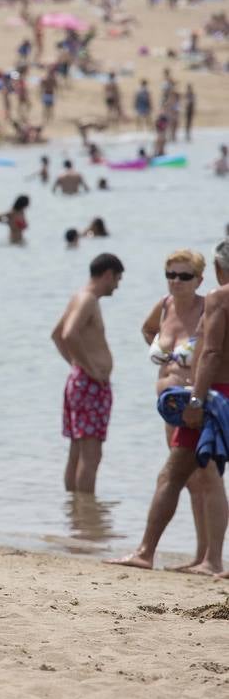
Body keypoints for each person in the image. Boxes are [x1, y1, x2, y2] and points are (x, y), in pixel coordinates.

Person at [110, 246, 227, 576]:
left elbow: (213, 352)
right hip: (172, 407)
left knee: (197, 475)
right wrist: (162, 354)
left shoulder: (211, 304)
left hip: (197, 399)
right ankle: (202, 555)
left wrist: (195, 390)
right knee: (191, 478)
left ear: (202, 277)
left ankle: (203, 555)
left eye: (184, 276)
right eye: (170, 275)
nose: (176, 282)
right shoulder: (163, 307)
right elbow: (148, 330)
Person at [51, 253, 124, 494]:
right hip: (89, 384)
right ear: (107, 274)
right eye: (117, 279)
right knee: (91, 455)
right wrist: (90, 370)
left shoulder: (79, 297)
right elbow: (68, 334)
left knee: (78, 451)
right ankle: (86, 520)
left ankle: (75, 514)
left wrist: (76, 366)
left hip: (81, 382)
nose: (117, 285)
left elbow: (57, 334)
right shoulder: (88, 300)